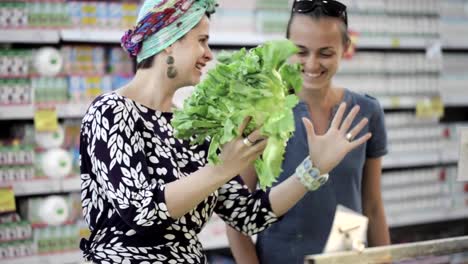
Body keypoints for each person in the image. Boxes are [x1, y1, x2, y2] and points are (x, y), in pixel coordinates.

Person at [79, 0, 371, 263]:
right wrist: (220, 170)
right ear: (169, 41)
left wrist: (312, 169)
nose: (208, 55)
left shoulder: (192, 127)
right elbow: (140, 210)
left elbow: (249, 215)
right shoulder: (110, 111)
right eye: (202, 41)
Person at [226, 0, 390, 263]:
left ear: (345, 48)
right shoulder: (262, 113)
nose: (312, 64)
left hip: (347, 256)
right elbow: (236, 215)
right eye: (301, 52)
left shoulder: (366, 111)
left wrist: (385, 260)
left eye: (325, 53)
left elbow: (372, 205)